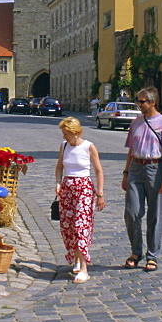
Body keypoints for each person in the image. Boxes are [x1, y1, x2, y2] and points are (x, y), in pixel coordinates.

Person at [122, 86, 162, 272]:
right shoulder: (136, 123)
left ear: (153, 102)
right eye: (138, 100)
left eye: (142, 101)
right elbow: (131, 150)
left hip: (155, 168)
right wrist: (126, 173)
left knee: (155, 214)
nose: (139, 104)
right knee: (131, 212)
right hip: (136, 168)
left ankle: (152, 255)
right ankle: (136, 251)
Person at [55, 116, 105, 284]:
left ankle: (84, 268)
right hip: (67, 188)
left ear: (75, 133)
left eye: (66, 134)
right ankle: (76, 259)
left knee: (80, 225)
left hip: (83, 188)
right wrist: (58, 183)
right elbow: (59, 167)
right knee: (68, 226)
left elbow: (98, 171)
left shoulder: (88, 147)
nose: (64, 137)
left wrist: (100, 194)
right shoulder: (64, 146)